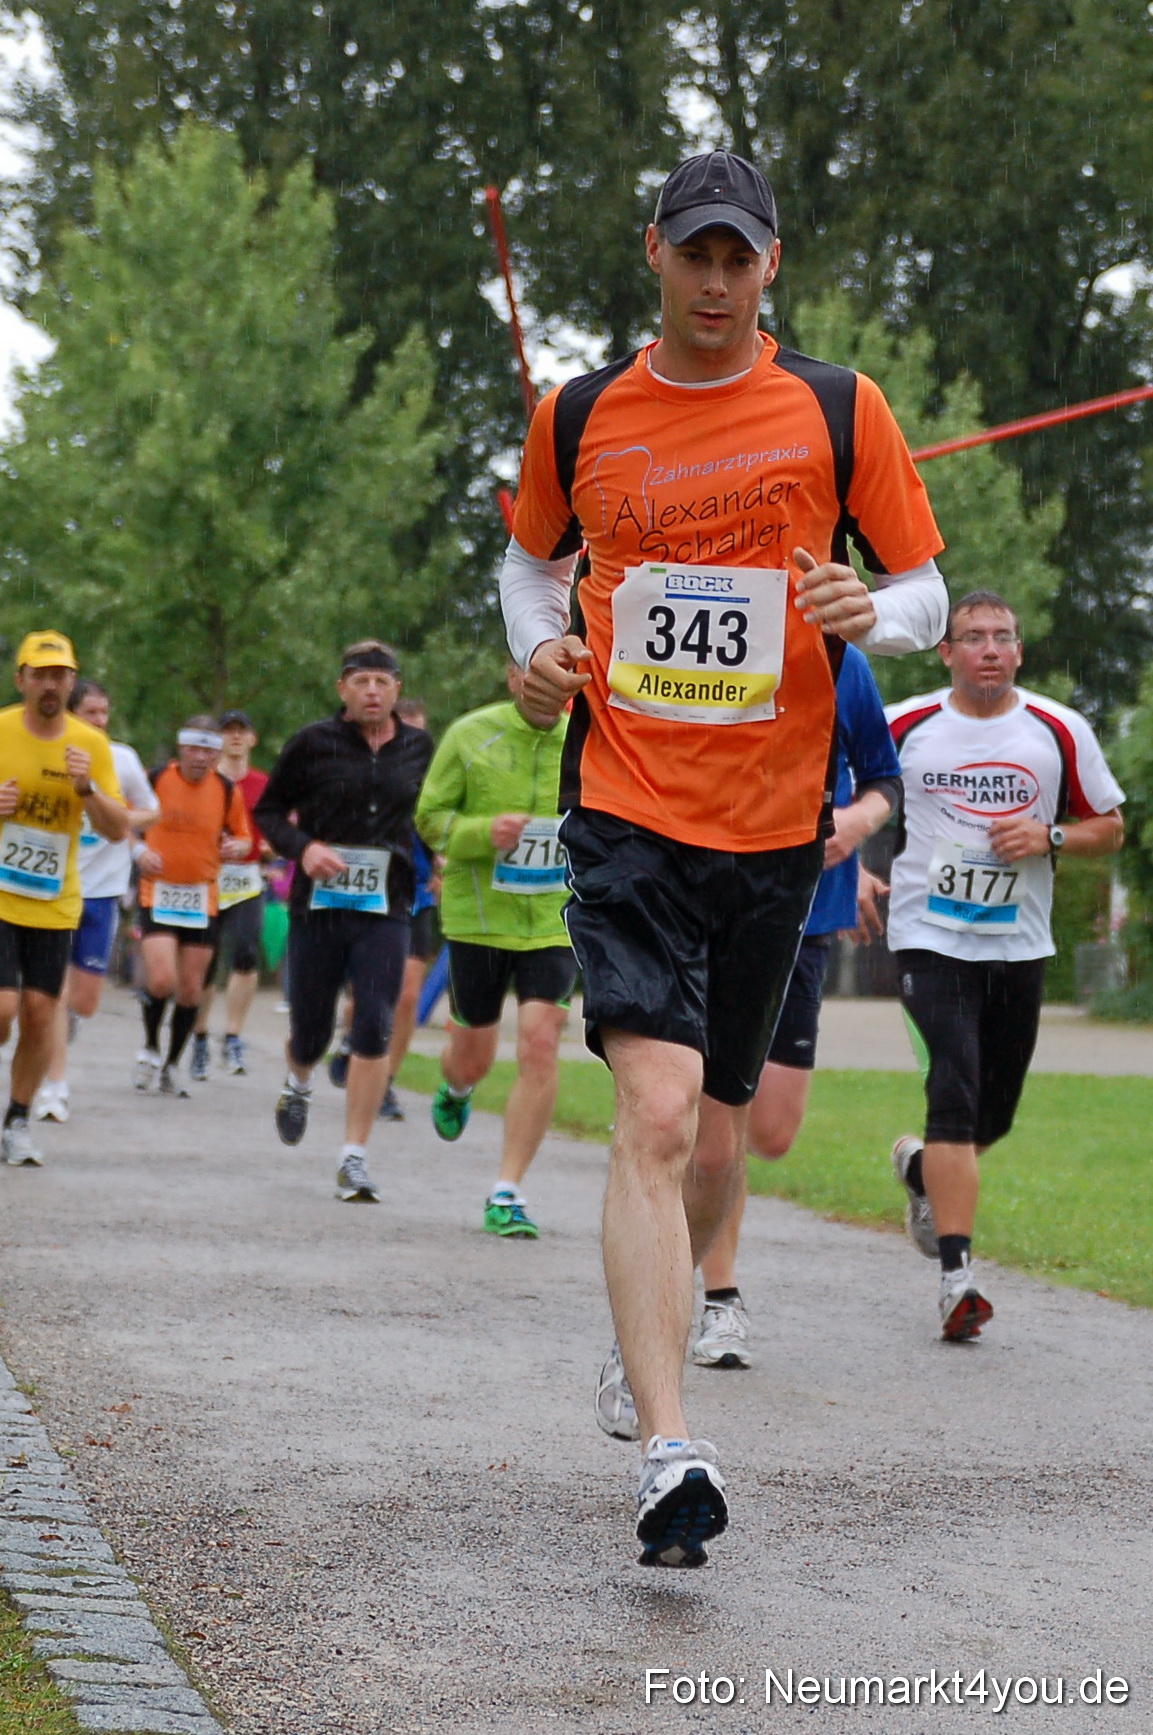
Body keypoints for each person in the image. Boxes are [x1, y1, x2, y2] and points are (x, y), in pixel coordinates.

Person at [501, 148, 947, 1566]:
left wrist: (866, 604)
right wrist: (536, 655)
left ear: (772, 261)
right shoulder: (577, 411)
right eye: (692, 253)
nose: (714, 279)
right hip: (629, 810)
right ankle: (666, 1443)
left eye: (736, 256)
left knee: (715, 1133)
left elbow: (932, 584)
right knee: (650, 1105)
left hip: (776, 833)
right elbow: (526, 563)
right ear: (653, 254)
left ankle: (651, 1343)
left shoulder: (837, 404)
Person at [882, 590, 1124, 1340]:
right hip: (929, 935)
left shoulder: (1056, 729)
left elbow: (1109, 827)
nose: (988, 648)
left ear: (1018, 651)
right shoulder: (905, 725)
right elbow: (840, 791)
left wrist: (1048, 836)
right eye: (972, 637)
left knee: (991, 1117)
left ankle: (924, 1171)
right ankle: (958, 1278)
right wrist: (850, 871)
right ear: (944, 652)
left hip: (1018, 943)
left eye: (1002, 637)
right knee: (951, 1088)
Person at [254, 641, 434, 1202]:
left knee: (374, 1023)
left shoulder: (419, 747)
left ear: (397, 689)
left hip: (387, 907)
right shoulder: (312, 744)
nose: (373, 691)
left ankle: (353, 1156)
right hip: (319, 906)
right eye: (361, 682)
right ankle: (299, 1080)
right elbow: (266, 811)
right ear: (343, 691)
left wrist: (440, 851)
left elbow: (431, 809)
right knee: (309, 1032)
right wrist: (302, 848)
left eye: (383, 681)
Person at [415, 665, 575, 1237]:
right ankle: (457, 1087)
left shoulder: (589, 738)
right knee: (473, 1057)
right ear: (512, 678)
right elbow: (430, 822)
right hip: (479, 920)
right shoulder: (469, 735)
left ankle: (507, 1191)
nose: (552, 687)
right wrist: (485, 833)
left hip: (555, 921)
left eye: (564, 676)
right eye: (537, 675)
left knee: (540, 1043)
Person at [0, 632, 127, 1165]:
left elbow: (118, 828)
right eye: (41, 673)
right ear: (21, 678)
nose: (51, 684)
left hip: (54, 901)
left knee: (37, 1012)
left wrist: (87, 790)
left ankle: (17, 1119)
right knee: (2, 1006)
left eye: (61, 675)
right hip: (0, 896)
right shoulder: (2, 729)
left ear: (71, 682)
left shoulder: (90, 745)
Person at [36, 678, 158, 1124]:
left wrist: (117, 818)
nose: (101, 721)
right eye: (91, 713)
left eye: (105, 713)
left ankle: (62, 1033)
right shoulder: (48, 754)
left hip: (103, 891)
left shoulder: (121, 758)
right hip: (54, 888)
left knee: (83, 1001)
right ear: (69, 714)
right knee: (53, 992)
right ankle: (55, 1086)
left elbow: (152, 810)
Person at [327, 695, 441, 1121]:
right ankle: (350, 1036)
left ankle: (387, 1083)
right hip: (369, 891)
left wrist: (442, 862)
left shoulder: (433, 772)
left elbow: (440, 821)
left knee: (408, 995)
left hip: (415, 894)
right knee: (368, 993)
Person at [134, 717, 252, 1095]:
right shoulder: (155, 779)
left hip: (202, 899)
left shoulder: (225, 789)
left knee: (189, 991)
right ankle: (151, 1046)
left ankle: (172, 1063)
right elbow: (120, 820)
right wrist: (138, 850)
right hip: (158, 892)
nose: (201, 758)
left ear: (217, 753)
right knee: (161, 979)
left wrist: (237, 847)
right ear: (180, 748)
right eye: (194, 749)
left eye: (209, 750)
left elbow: (244, 837)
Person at [190, 709, 270, 1080]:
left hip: (247, 880)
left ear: (253, 739)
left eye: (242, 731)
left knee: (246, 952)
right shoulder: (206, 782)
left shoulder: (263, 784)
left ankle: (234, 1035)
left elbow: (278, 828)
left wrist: (271, 845)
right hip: (208, 877)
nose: (235, 738)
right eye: (228, 731)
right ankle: (200, 1036)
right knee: (205, 958)